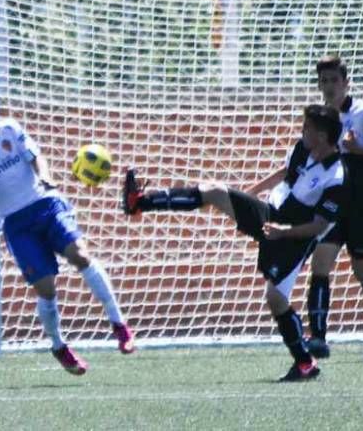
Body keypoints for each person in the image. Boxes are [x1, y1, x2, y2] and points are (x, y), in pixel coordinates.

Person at [123, 104, 347, 382]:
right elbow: (285, 172)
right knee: (214, 191)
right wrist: (250, 193)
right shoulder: (303, 148)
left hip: (295, 238)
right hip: (270, 215)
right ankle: (139, 203)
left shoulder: (336, 176)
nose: (302, 131)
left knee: (276, 300)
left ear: (324, 136)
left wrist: (282, 232)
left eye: (307, 128)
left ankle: (304, 363)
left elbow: (319, 226)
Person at [0, 87, 135, 375]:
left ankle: (119, 325)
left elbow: (36, 157)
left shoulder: (9, 128)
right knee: (45, 287)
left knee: (80, 254)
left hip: (46, 204)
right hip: (16, 224)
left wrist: (45, 178)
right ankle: (58, 345)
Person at [296, 55, 363, 361]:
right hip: (332, 203)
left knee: (362, 269)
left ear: (346, 82)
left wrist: (360, 150)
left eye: (334, 80)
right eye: (323, 81)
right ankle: (317, 336)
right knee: (320, 264)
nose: (329, 87)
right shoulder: (318, 120)